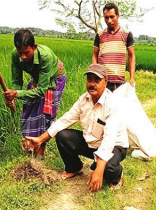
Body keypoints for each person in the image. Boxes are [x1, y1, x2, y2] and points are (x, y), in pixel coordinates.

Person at [27, 64, 129, 192]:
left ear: (105, 81)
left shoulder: (113, 104)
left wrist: (99, 170)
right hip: (92, 142)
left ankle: (117, 176)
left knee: (108, 168)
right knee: (62, 135)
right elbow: (65, 120)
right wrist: (40, 139)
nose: (92, 84)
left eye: (97, 80)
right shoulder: (83, 99)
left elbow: (109, 141)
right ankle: (74, 168)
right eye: (89, 79)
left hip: (115, 145)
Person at [3, 29, 66, 159]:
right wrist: (13, 96)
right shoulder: (15, 55)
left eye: (27, 53)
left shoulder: (45, 56)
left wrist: (16, 94)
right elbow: (17, 81)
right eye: (20, 53)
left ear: (34, 47)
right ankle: (31, 145)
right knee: (29, 110)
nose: (23, 57)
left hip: (54, 79)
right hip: (38, 79)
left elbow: (41, 90)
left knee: (45, 115)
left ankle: (40, 153)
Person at [92, 2, 136, 91]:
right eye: (106, 17)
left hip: (119, 82)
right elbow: (95, 55)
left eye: (112, 17)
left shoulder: (127, 34)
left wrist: (132, 78)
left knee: (117, 105)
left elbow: (131, 56)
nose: (109, 20)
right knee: (102, 105)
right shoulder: (99, 35)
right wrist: (95, 73)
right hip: (102, 81)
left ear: (118, 16)